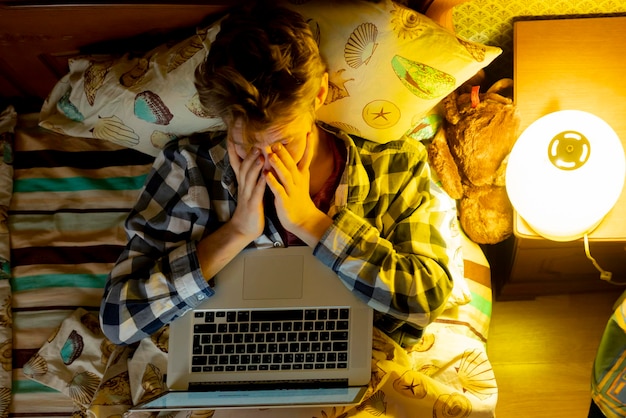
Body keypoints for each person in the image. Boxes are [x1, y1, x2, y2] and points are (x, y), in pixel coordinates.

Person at [99, 3, 456, 348]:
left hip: (356, 350)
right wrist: (236, 232)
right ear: (224, 121)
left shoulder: (395, 165)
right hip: (227, 350)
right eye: (245, 145)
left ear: (319, 94)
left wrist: (312, 224)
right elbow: (118, 322)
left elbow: (426, 301)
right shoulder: (187, 166)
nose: (267, 161)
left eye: (284, 140)